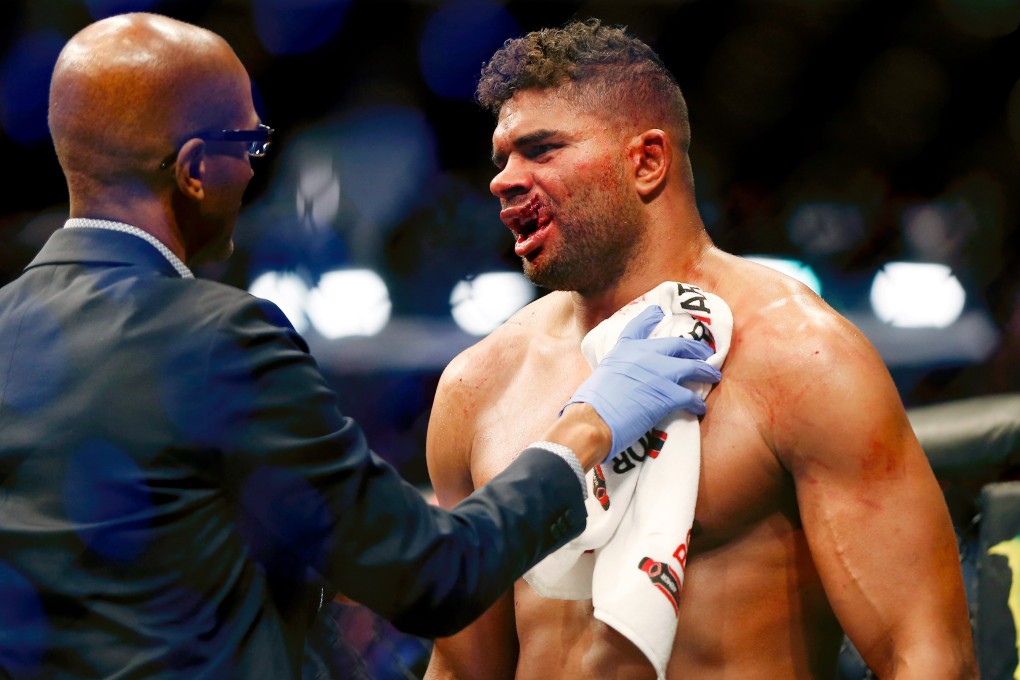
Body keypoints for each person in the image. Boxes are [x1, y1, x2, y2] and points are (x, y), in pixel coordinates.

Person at [0, 13, 721, 679]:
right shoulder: (218, 338)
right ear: (194, 169)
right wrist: (589, 422)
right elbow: (431, 577)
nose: (255, 171)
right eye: (248, 145)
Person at [424, 18, 978, 680]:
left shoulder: (800, 359)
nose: (504, 180)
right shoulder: (479, 386)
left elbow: (924, 655)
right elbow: (461, 669)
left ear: (648, 161)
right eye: (502, 158)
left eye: (542, 150)